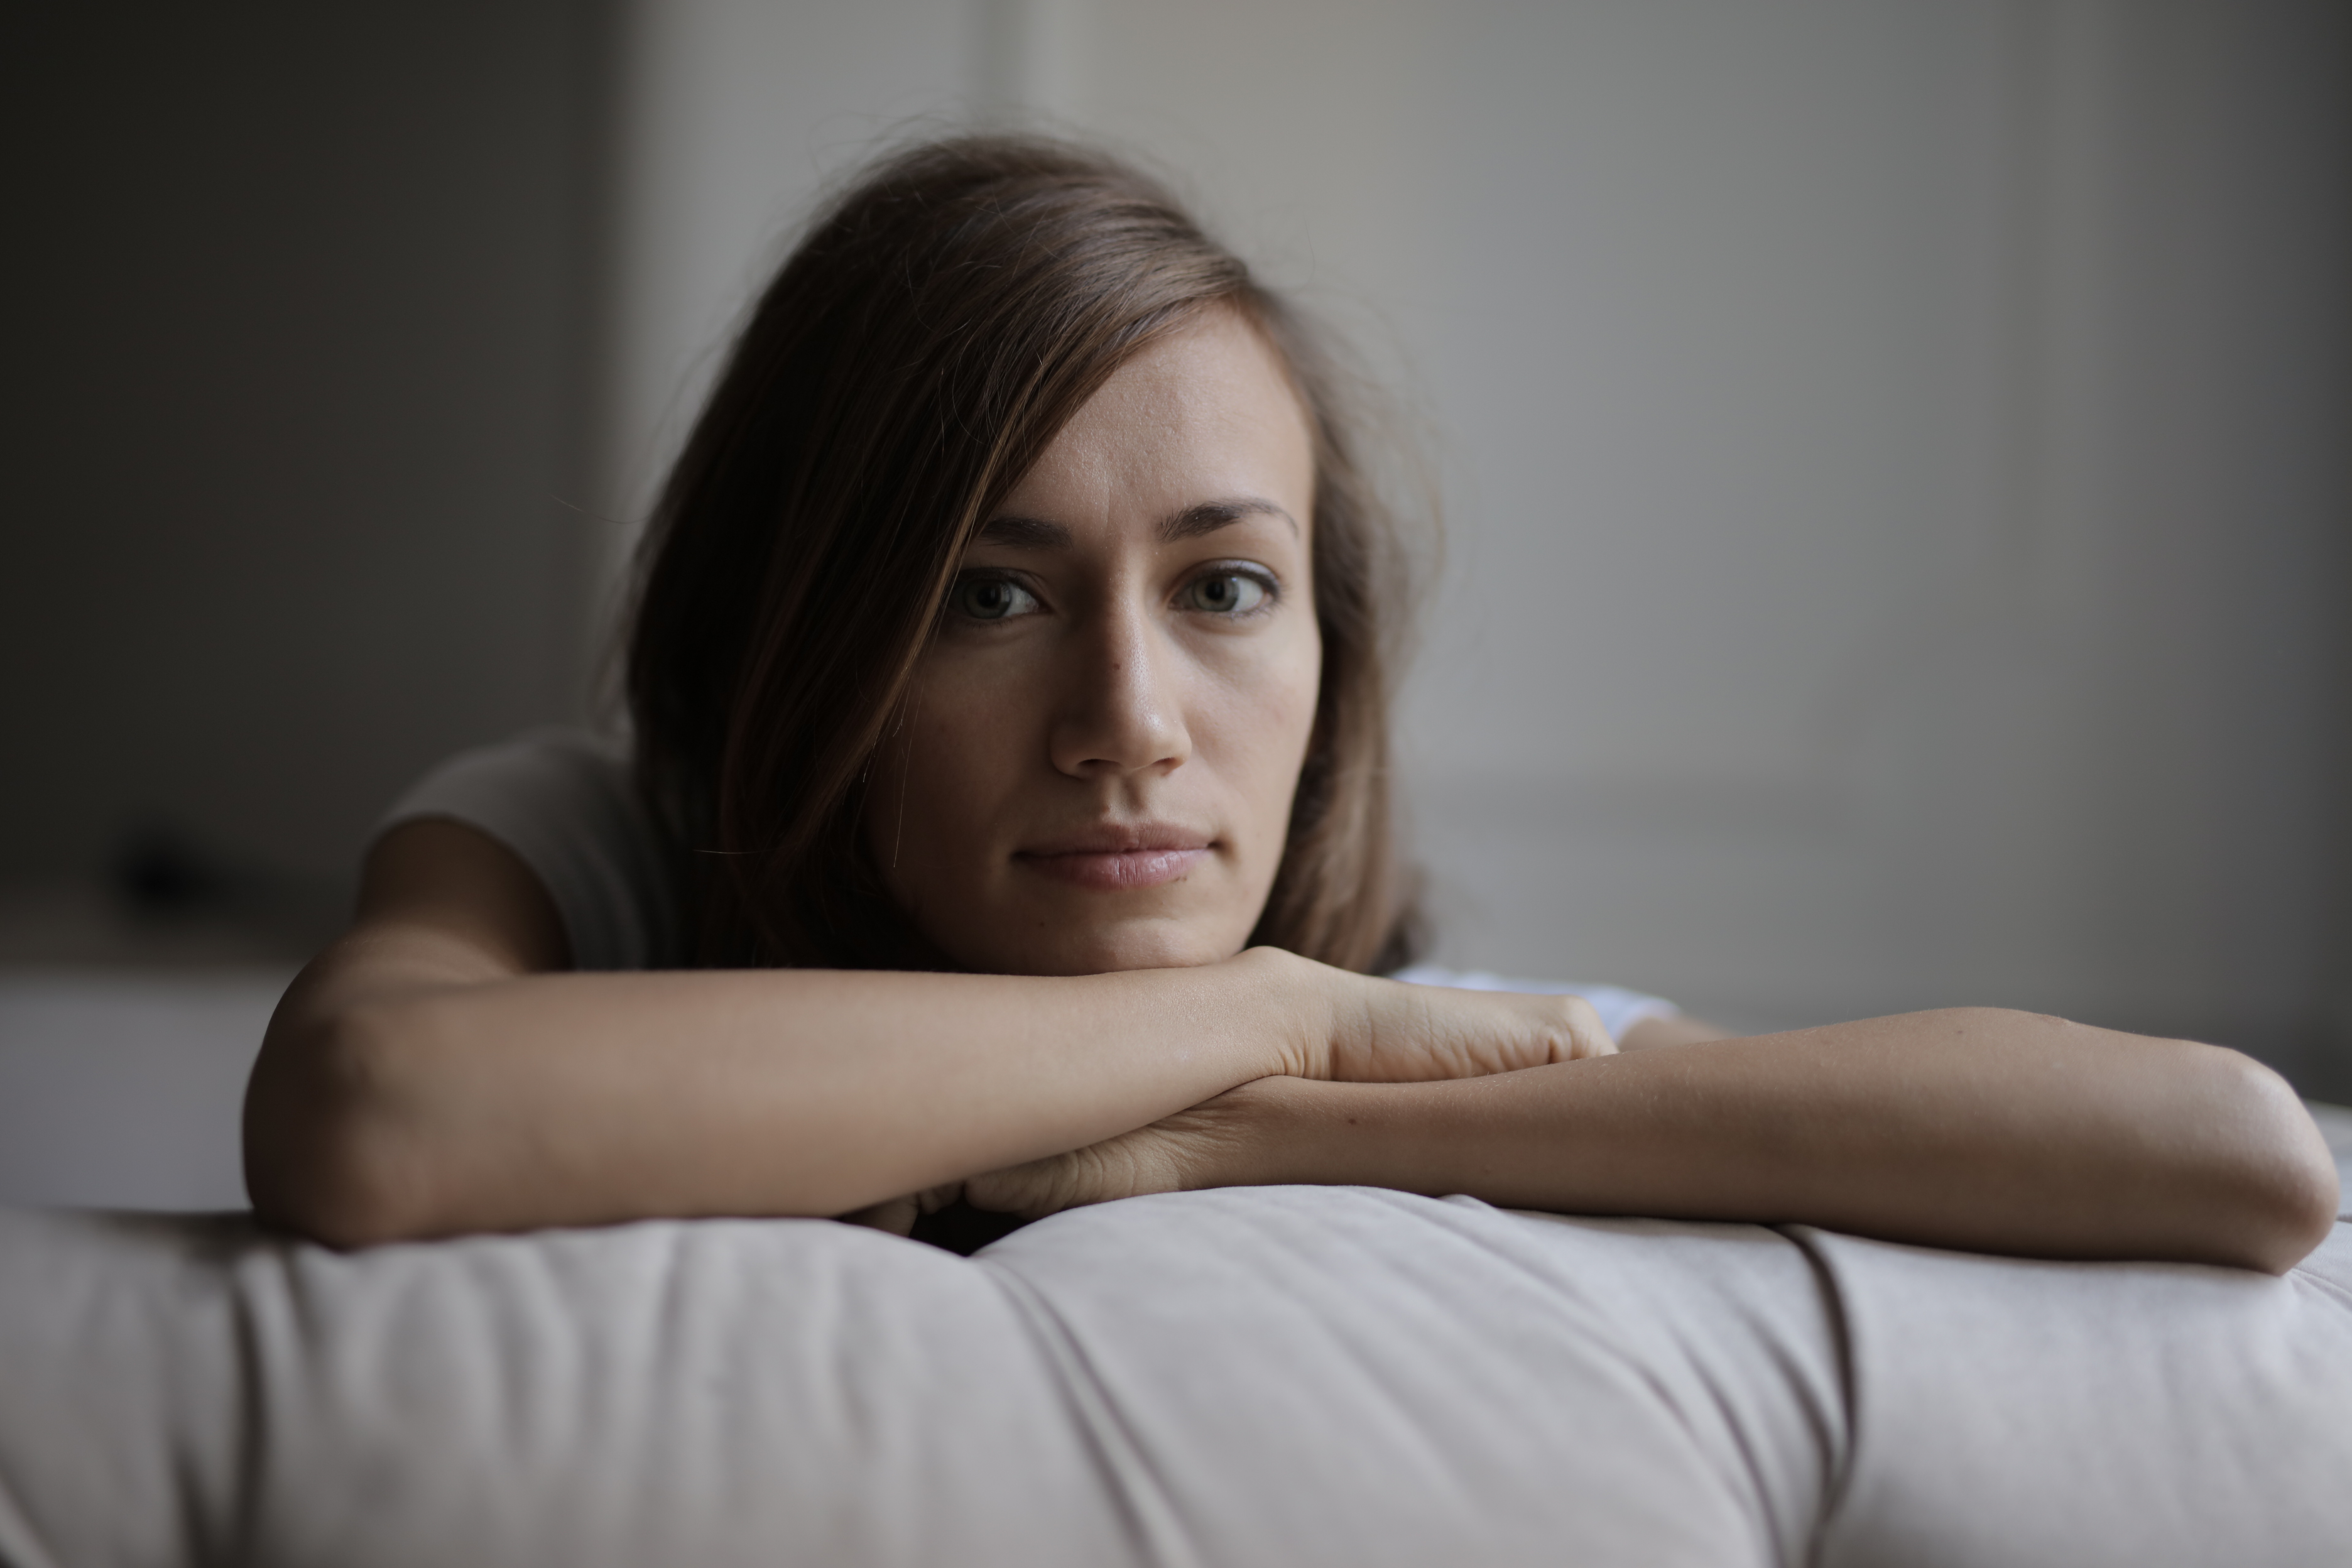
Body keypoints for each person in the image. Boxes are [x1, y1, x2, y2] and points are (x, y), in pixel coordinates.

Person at [243, 135, 2337, 1268]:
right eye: (991, 593)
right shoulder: (595, 835)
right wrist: (1269, 1010)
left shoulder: (1409, 1055)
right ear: (808, 634)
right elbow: (376, 1116)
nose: (1131, 716)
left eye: (1226, 586)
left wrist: (1256, 1130)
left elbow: (2237, 1157)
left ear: (1328, 656)